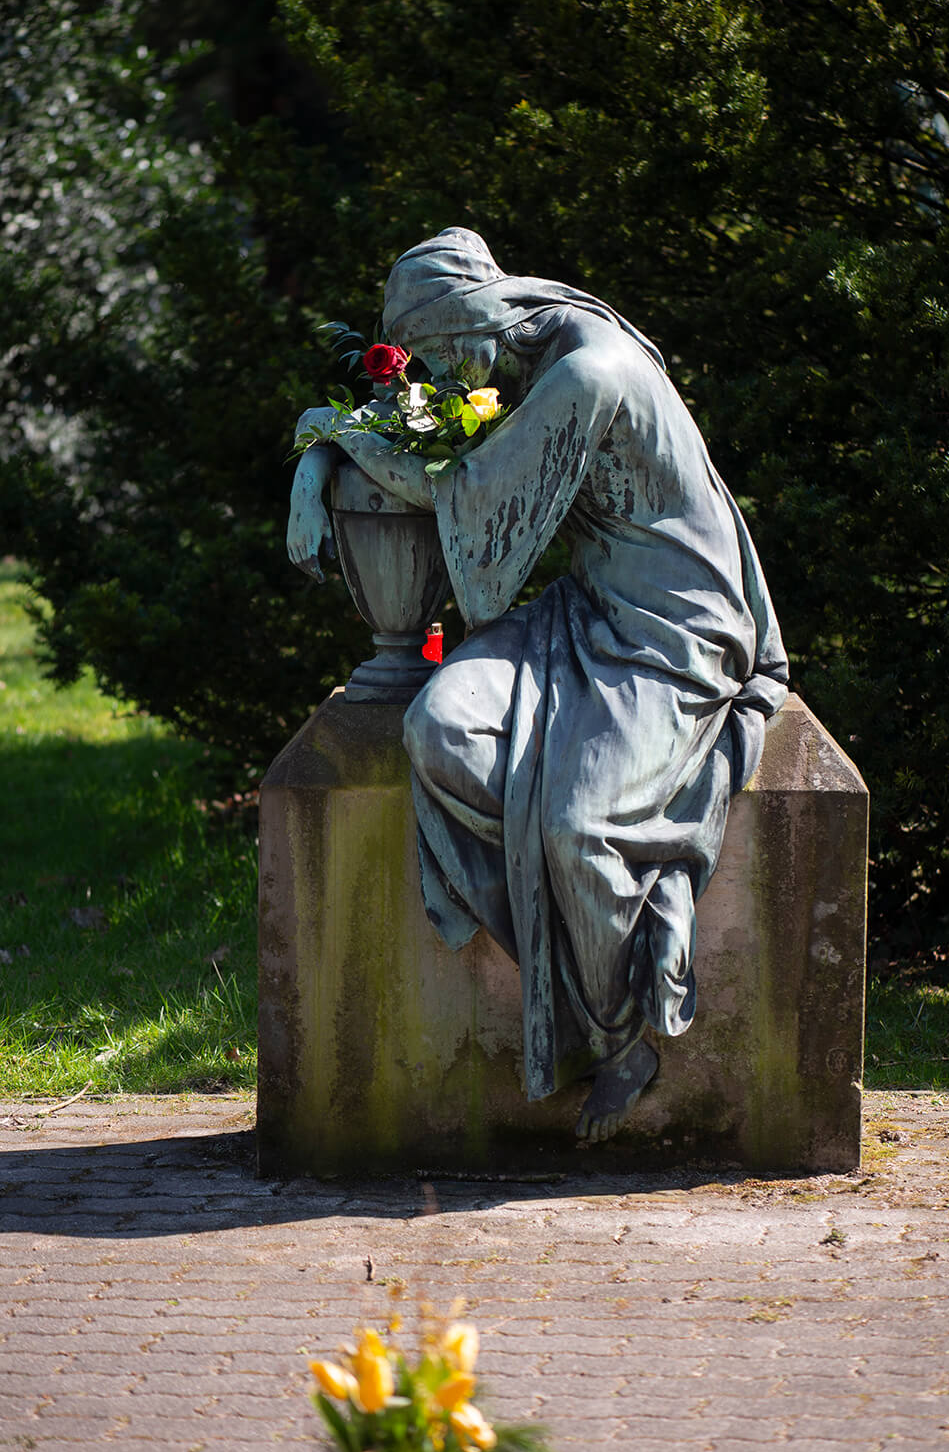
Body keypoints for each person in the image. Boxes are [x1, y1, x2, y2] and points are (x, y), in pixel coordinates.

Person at [287, 228, 788, 1142]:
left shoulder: (586, 374)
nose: (434, 386)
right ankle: (563, 961)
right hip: (586, 611)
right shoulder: (546, 348)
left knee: (576, 826)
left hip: (672, 637)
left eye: (436, 361)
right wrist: (320, 458)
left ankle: (622, 1028)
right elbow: (446, 472)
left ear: (468, 324)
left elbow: (468, 510)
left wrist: (329, 435)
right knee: (438, 727)